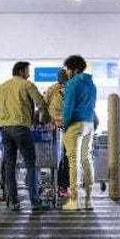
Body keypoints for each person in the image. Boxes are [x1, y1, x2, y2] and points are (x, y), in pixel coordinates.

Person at [0, 61, 49, 211]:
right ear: (21, 71)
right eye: (28, 70)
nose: (30, 73)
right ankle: (35, 201)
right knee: (30, 163)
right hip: (21, 127)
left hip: (5, 129)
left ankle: (13, 202)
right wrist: (45, 119)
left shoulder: (2, 86)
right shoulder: (27, 85)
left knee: (10, 165)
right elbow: (40, 103)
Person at [61, 55, 97, 211]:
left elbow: (67, 109)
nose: (67, 72)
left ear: (74, 69)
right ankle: (89, 200)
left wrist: (64, 125)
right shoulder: (92, 84)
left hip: (75, 125)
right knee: (86, 159)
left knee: (73, 161)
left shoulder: (72, 83)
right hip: (89, 124)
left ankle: (74, 200)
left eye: (68, 69)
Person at [43, 69, 70, 197]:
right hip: (54, 128)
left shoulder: (71, 89)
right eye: (60, 76)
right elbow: (44, 106)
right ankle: (57, 184)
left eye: (63, 76)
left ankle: (62, 185)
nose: (61, 78)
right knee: (54, 157)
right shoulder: (52, 89)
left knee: (64, 158)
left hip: (66, 127)